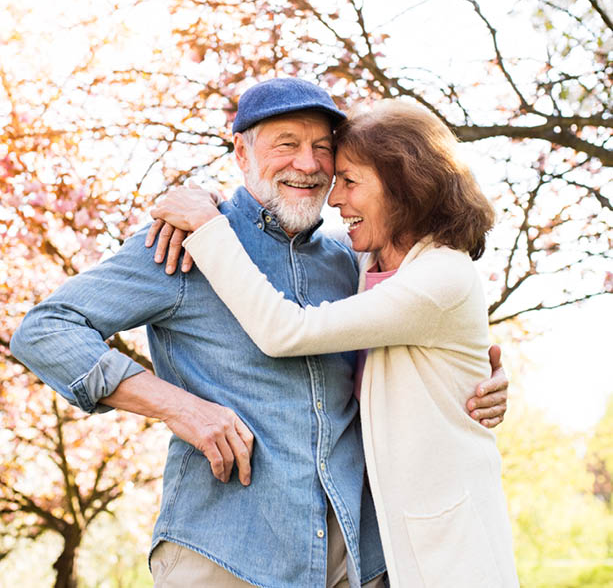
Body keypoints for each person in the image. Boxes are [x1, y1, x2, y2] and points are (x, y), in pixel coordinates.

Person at [10, 79, 508, 588]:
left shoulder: (352, 259)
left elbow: (426, 328)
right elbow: (46, 329)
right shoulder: (183, 244)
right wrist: (180, 408)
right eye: (286, 144)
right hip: (225, 554)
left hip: (355, 560)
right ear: (241, 152)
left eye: (322, 149)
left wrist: (480, 378)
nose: (309, 165)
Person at [148, 98, 519, 587]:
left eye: (350, 180)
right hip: (389, 542)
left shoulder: (442, 274)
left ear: (403, 184)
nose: (335, 197)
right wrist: (223, 205)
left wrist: (211, 232)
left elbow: (288, 331)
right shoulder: (369, 265)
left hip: (448, 548)